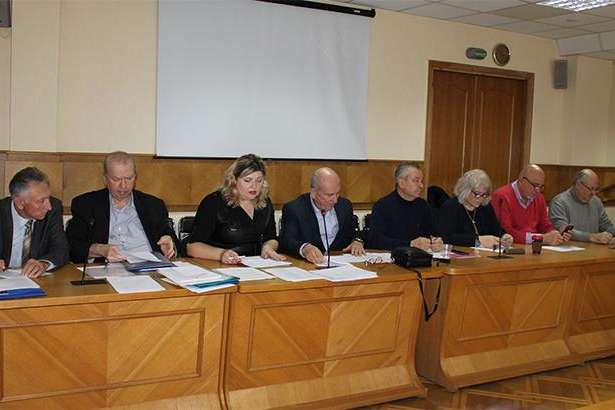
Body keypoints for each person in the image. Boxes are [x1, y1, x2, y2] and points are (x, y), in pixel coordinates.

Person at [67, 151, 179, 263]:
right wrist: (99, 250)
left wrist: (170, 243)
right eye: (116, 179)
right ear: (105, 179)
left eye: (129, 178)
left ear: (135, 177)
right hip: (108, 268)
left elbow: (171, 239)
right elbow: (72, 246)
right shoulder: (86, 205)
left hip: (150, 267)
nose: (123, 185)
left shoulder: (153, 205)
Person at [187, 154, 284, 264]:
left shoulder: (265, 202)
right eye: (247, 180)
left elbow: (271, 238)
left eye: (259, 180)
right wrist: (221, 254)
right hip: (220, 265)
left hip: (256, 265)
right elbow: (192, 247)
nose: (254, 186)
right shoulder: (214, 202)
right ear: (234, 180)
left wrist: (268, 247)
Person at [279, 167, 364, 263]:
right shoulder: (295, 209)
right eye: (329, 195)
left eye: (337, 194)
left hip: (341, 264)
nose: (335, 200)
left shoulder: (344, 206)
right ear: (313, 193)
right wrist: (304, 248)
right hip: (308, 265)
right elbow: (287, 241)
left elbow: (353, 232)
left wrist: (357, 241)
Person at [0, 167, 69, 277]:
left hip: (37, 280)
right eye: (41, 201)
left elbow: (61, 249)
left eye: (48, 198)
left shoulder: (54, 209)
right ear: (20, 203)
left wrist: (44, 263)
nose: (49, 206)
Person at [367, 163, 443, 251]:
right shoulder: (383, 205)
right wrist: (410, 244)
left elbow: (434, 234)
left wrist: (436, 242)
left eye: (421, 181)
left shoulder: (423, 205)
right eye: (416, 181)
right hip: (391, 256)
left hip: (420, 256)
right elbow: (375, 241)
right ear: (401, 183)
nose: (421, 186)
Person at [491, 164, 570, 245]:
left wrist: (555, 234)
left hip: (535, 246)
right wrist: (540, 238)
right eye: (535, 185)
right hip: (513, 246)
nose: (538, 190)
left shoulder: (539, 198)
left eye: (541, 186)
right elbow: (506, 233)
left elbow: (545, 225)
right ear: (522, 180)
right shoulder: (501, 196)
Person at [438, 169, 513, 248]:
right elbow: (447, 237)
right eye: (477, 194)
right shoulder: (451, 207)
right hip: (461, 252)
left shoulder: (485, 206)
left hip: (485, 253)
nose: (480, 199)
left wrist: (504, 236)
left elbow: (495, 229)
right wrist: (477, 240)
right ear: (465, 190)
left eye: (484, 195)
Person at [549, 169, 615, 244]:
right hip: (568, 249)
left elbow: (607, 226)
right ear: (578, 184)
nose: (593, 193)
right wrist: (591, 237)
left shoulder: (596, 201)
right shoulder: (559, 202)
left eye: (596, 189)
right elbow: (564, 231)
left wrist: (609, 235)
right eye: (590, 189)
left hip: (593, 249)